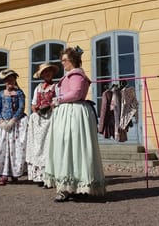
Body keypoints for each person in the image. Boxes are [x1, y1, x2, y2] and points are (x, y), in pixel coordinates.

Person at [44, 46, 106, 202]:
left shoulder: (76, 74)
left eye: (65, 60)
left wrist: (58, 100)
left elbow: (77, 93)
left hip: (73, 114)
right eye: (62, 60)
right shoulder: (71, 75)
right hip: (69, 113)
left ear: (72, 61)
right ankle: (71, 186)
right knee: (69, 149)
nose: (62, 63)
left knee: (72, 148)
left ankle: (71, 187)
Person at [0, 69, 28, 185]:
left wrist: (13, 120)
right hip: (2, 125)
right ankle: (4, 174)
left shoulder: (19, 93)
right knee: (3, 149)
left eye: (12, 80)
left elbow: (21, 108)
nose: (10, 82)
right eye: (8, 80)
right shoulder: (1, 94)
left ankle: (14, 173)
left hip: (16, 125)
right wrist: (1, 121)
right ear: (5, 81)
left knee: (14, 149)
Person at [26, 62, 59, 187]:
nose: (47, 74)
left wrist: (50, 106)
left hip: (51, 118)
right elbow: (33, 103)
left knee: (49, 147)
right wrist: (36, 111)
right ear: (41, 75)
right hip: (39, 120)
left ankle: (49, 176)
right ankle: (39, 176)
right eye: (45, 72)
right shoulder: (38, 87)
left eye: (49, 71)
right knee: (38, 147)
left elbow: (58, 101)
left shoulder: (55, 86)